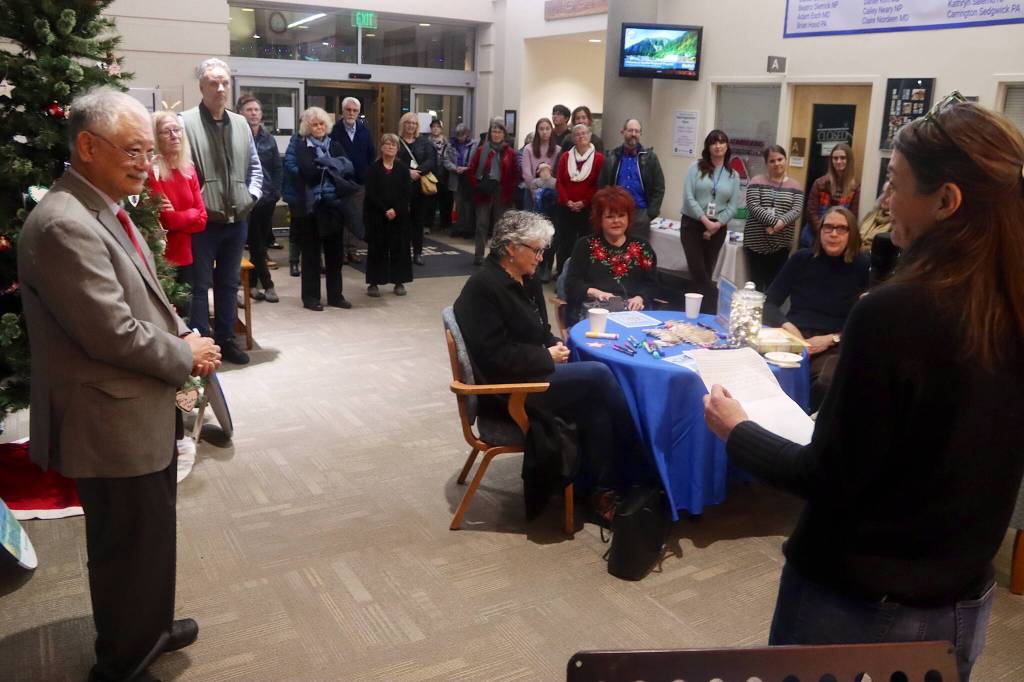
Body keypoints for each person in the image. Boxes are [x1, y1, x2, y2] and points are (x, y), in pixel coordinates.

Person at [703, 96, 1024, 682]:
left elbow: (827, 477)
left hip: (858, 603)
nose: (883, 200)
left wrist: (738, 431)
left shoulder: (894, 314)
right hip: (961, 601)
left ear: (947, 201)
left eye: (896, 184)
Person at [18, 86, 221, 682]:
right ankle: (123, 661)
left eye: (147, 149)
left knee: (150, 534)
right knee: (126, 545)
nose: (145, 161)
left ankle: (149, 629)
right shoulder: (64, 224)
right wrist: (183, 353)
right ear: (87, 146)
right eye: (133, 149)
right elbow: (111, 332)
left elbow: (142, 304)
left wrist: (178, 334)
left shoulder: (102, 206)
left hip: (134, 407)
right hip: (108, 419)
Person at [453, 211, 650, 522]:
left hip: (530, 373)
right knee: (599, 374)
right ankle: (640, 454)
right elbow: (494, 358)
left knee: (597, 401)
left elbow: (538, 329)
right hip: (510, 390)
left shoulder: (524, 279)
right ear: (510, 248)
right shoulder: (483, 289)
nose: (542, 257)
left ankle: (599, 489)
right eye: (537, 250)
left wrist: (554, 344)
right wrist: (547, 357)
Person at [181, 57, 262, 365]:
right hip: (203, 222)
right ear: (201, 86)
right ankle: (202, 344)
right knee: (199, 285)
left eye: (224, 82)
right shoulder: (185, 122)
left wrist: (250, 195)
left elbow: (255, 167)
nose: (220, 88)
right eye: (213, 82)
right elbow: (178, 170)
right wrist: (197, 203)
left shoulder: (241, 123)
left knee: (228, 283)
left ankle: (226, 339)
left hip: (236, 219)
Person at [764, 206, 868, 409]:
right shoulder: (800, 259)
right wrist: (787, 326)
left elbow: (869, 322)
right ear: (819, 231)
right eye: (828, 227)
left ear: (851, 233)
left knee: (824, 383)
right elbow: (769, 303)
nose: (833, 234)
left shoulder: (864, 265)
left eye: (841, 229)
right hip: (793, 338)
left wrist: (833, 338)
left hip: (835, 343)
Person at [565, 187, 659, 325]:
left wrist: (640, 298)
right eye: (609, 216)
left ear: (629, 217)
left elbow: (653, 284)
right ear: (599, 219)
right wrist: (597, 293)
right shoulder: (585, 245)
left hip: (634, 312)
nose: (616, 221)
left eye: (621, 215)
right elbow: (571, 285)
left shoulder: (642, 246)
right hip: (596, 311)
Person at [295, 106, 358, 311]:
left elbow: (348, 168)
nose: (319, 127)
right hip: (312, 208)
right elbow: (309, 172)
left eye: (322, 123)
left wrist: (325, 164)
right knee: (312, 256)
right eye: (314, 124)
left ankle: (335, 296)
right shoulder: (302, 146)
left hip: (334, 207)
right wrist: (333, 165)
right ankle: (311, 298)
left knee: (335, 255)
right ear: (307, 127)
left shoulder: (336, 144)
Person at [146, 110, 207, 300]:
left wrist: (182, 215)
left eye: (177, 130)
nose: (174, 135)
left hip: (186, 255)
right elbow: (166, 220)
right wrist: (191, 214)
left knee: (186, 314)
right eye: (167, 131)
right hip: (162, 257)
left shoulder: (188, 169)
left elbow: (203, 219)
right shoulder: (152, 171)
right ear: (155, 137)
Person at [680, 129, 739, 313]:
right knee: (698, 271)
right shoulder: (695, 167)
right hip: (692, 224)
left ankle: (696, 314)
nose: (718, 146)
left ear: (727, 146)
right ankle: (715, 310)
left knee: (706, 271)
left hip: (718, 227)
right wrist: (706, 221)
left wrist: (716, 224)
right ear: (708, 147)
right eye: (714, 142)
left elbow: (733, 206)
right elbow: (689, 198)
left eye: (722, 142)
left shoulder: (733, 175)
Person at [237, 96, 281, 303]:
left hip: (266, 199)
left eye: (257, 109)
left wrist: (275, 193)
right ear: (241, 113)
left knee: (259, 243)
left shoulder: (268, 138)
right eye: (249, 109)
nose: (254, 113)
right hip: (245, 200)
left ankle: (253, 285)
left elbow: (276, 167)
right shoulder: (237, 136)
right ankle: (268, 283)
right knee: (254, 244)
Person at [743, 144, 804, 292]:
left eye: (780, 159)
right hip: (755, 245)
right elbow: (753, 206)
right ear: (766, 163)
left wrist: (781, 223)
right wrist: (775, 222)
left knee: (774, 288)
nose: (777, 163)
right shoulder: (756, 181)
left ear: (785, 159)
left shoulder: (795, 185)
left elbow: (796, 210)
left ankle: (769, 315)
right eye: (772, 161)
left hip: (780, 246)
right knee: (755, 287)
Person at [596, 117, 665, 241]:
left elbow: (659, 187)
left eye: (637, 131)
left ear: (640, 133)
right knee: (615, 252)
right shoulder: (611, 157)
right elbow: (602, 185)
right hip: (615, 213)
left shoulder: (650, 158)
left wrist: (650, 214)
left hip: (641, 214)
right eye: (630, 130)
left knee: (639, 254)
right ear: (622, 132)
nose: (633, 134)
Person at [364, 133, 413, 297]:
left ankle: (399, 282)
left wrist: (395, 210)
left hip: (399, 215)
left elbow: (406, 193)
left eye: (393, 145)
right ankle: (374, 282)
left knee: (399, 247)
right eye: (387, 144)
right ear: (381, 147)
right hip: (378, 214)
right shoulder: (373, 168)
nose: (390, 147)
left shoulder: (403, 169)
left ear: (398, 149)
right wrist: (385, 209)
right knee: (377, 248)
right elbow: (371, 193)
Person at [554, 124, 604, 277]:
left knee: (586, 244)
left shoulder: (599, 158)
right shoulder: (565, 157)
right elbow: (559, 181)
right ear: (573, 138)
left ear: (590, 136)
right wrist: (567, 200)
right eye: (577, 134)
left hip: (587, 209)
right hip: (566, 208)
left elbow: (598, 184)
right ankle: (562, 275)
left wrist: (584, 202)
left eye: (584, 133)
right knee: (564, 244)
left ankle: (582, 276)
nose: (581, 136)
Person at [330, 96, 375, 264]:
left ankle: (352, 250)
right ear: (342, 111)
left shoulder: (364, 131)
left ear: (358, 112)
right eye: (348, 110)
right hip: (340, 183)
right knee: (341, 218)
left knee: (355, 217)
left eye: (355, 110)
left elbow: (371, 154)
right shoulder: (334, 130)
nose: (351, 113)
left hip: (359, 182)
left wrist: (367, 175)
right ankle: (340, 251)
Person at [467, 119, 519, 265]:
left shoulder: (510, 152)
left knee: (500, 225)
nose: (496, 134)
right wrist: (477, 185)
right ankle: (479, 255)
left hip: (502, 192)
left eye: (499, 132)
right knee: (481, 224)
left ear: (504, 134)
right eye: (494, 132)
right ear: (490, 134)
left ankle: (496, 255)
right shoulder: (481, 150)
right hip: (484, 191)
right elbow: (471, 170)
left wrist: (510, 191)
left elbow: (515, 174)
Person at [396, 112, 437, 266]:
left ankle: (418, 252)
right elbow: (392, 159)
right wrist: (407, 172)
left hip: (419, 187)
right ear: (403, 124)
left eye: (414, 123)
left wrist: (417, 172)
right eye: (408, 122)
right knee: (401, 221)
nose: (411, 125)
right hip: (401, 186)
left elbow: (431, 160)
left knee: (418, 221)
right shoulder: (397, 141)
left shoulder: (424, 142)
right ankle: (402, 251)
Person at [803, 142, 860, 247]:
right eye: (835, 158)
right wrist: (823, 233)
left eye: (843, 158)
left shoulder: (854, 188)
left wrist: (836, 235)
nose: (838, 161)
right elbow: (811, 213)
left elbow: (852, 217)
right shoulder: (819, 183)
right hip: (814, 237)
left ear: (849, 160)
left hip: (838, 237)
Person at [521, 117, 561, 209]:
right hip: (531, 191)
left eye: (547, 129)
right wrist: (536, 192)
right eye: (541, 129)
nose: (544, 132)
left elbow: (557, 173)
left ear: (551, 130)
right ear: (537, 131)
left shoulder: (558, 149)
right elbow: (526, 173)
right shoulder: (528, 148)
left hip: (551, 191)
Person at [445, 122, 474, 238]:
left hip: (469, 178)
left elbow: (476, 161)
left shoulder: (474, 144)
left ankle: (468, 228)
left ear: (467, 134)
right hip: (456, 178)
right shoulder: (450, 145)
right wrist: (455, 168)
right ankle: (459, 227)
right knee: (458, 204)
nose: (460, 138)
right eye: (458, 135)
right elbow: (445, 160)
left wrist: (467, 168)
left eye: (463, 135)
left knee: (468, 205)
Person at [429, 118, 454, 233]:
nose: (435, 129)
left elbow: (451, 158)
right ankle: (429, 224)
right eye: (433, 127)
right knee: (430, 201)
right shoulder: (426, 142)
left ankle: (445, 224)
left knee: (446, 201)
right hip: (430, 174)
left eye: (438, 127)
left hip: (445, 174)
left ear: (441, 129)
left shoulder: (447, 143)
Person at [858, 181, 892, 254]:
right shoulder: (870, 214)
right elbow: (855, 234)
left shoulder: (896, 224)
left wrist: (859, 249)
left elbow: (884, 249)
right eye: (883, 192)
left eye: (889, 195)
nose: (883, 197)